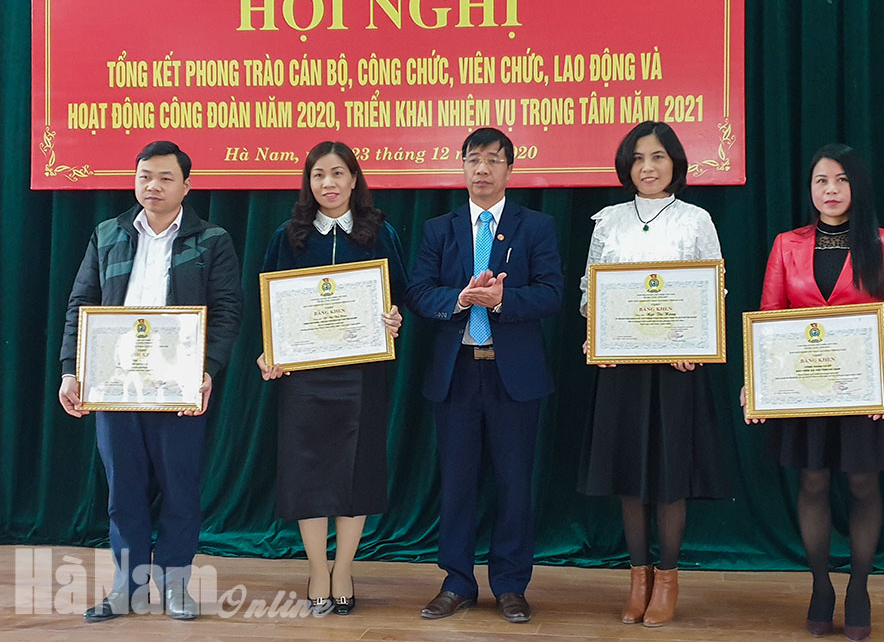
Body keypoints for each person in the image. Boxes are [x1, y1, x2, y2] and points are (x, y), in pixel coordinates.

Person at [57, 141, 243, 622]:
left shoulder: (211, 239)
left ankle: (176, 584)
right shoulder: (107, 234)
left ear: (186, 185)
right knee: (123, 490)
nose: (152, 186)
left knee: (180, 488)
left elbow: (227, 312)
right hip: (114, 385)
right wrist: (71, 370)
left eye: (164, 178)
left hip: (178, 386)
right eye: (144, 176)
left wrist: (206, 371)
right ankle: (129, 586)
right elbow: (81, 305)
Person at [741, 143, 884, 641]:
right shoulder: (786, 244)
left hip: (863, 389)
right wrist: (757, 383)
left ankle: (859, 588)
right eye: (821, 180)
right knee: (813, 483)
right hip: (805, 390)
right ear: (810, 188)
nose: (831, 190)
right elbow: (769, 320)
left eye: (841, 180)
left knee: (862, 485)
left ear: (857, 187)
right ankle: (820, 587)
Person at [405, 127, 563, 623]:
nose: (483, 169)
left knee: (514, 483)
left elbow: (553, 293)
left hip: (512, 375)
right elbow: (418, 292)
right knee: (457, 483)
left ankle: (511, 585)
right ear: (463, 166)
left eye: (494, 160)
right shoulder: (439, 229)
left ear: (510, 169)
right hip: (456, 374)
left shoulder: (535, 226)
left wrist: (502, 300)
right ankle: (457, 582)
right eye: (474, 159)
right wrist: (459, 298)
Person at [577, 121, 731, 627]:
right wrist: (597, 334)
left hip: (676, 368)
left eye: (658, 157)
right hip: (621, 367)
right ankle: (637, 578)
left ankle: (667, 578)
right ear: (627, 165)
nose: (648, 167)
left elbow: (714, 289)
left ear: (675, 163)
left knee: (669, 476)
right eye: (639, 158)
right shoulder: (608, 221)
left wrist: (698, 344)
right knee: (630, 474)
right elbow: (590, 290)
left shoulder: (696, 219)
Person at [257, 141, 406, 616]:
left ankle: (344, 568)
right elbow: (269, 303)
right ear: (308, 182)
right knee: (309, 473)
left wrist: (394, 318)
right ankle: (317, 568)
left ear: (354, 179)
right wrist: (270, 351)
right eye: (319, 174)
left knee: (356, 473)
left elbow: (401, 294)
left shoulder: (380, 233)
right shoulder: (289, 235)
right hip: (304, 378)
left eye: (338, 173)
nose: (329, 183)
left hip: (363, 375)